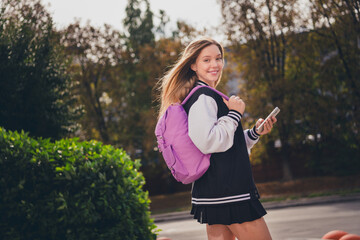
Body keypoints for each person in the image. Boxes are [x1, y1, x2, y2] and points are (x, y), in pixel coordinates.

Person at [158, 37, 276, 240]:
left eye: (218, 58)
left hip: (217, 192)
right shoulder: (203, 96)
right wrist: (234, 114)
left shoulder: (207, 94)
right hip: (229, 192)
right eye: (206, 60)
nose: (214, 64)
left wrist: (254, 133)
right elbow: (208, 142)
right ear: (193, 65)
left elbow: (227, 144)